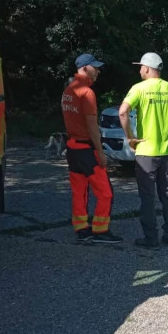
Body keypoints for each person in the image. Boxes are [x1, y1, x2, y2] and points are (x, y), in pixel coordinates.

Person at [119, 52, 168, 248]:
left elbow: (123, 112)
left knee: (147, 197)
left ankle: (151, 238)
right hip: (167, 151)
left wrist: (130, 137)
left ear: (147, 68)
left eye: (141, 66)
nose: (139, 70)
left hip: (146, 152)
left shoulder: (139, 88)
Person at [61, 53, 122, 244]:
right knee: (105, 192)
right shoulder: (87, 93)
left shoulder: (68, 90)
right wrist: (101, 152)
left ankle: (81, 228)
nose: (98, 72)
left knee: (79, 191)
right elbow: (92, 126)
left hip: (72, 147)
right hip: (86, 150)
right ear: (85, 68)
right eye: (95, 68)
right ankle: (100, 230)